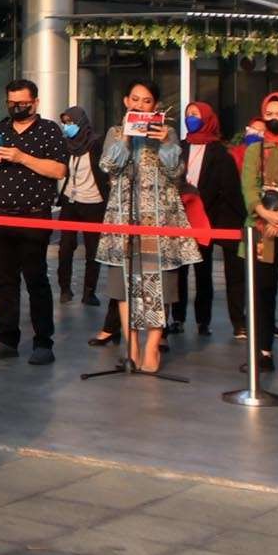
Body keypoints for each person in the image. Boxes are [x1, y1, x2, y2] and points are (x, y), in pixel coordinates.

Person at [98, 79, 200, 374]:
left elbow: (175, 171)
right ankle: (131, 346)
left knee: (161, 285)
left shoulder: (167, 135)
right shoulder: (115, 133)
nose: (140, 105)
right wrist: (126, 140)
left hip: (160, 219)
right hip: (123, 219)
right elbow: (108, 165)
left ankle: (153, 345)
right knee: (124, 284)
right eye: (135, 99)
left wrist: (167, 142)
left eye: (146, 101)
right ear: (126, 102)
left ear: (155, 106)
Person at [0, 79, 68, 365]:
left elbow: (58, 169)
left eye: (22, 103)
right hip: (0, 212)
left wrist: (22, 157)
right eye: (12, 103)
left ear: (35, 103)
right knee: (4, 282)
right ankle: (7, 339)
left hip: (33, 214)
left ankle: (43, 341)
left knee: (36, 278)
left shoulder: (49, 130)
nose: (17, 107)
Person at [171, 101, 246, 338]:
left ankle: (204, 321)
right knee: (179, 272)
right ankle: (178, 317)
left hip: (209, 218)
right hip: (181, 217)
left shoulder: (220, 152)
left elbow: (229, 188)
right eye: (188, 114)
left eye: (196, 114)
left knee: (204, 272)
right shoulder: (179, 147)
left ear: (207, 117)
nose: (191, 118)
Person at [239, 92, 278, 374]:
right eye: (270, 114)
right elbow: (249, 187)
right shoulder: (255, 149)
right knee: (262, 293)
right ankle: (263, 352)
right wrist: (265, 214)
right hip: (261, 229)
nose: (275, 118)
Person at [56, 106, 108, 309]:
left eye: (71, 122)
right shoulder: (67, 145)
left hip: (93, 201)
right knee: (65, 247)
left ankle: (89, 292)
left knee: (93, 250)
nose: (67, 126)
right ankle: (65, 289)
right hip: (71, 200)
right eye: (65, 122)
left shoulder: (96, 143)